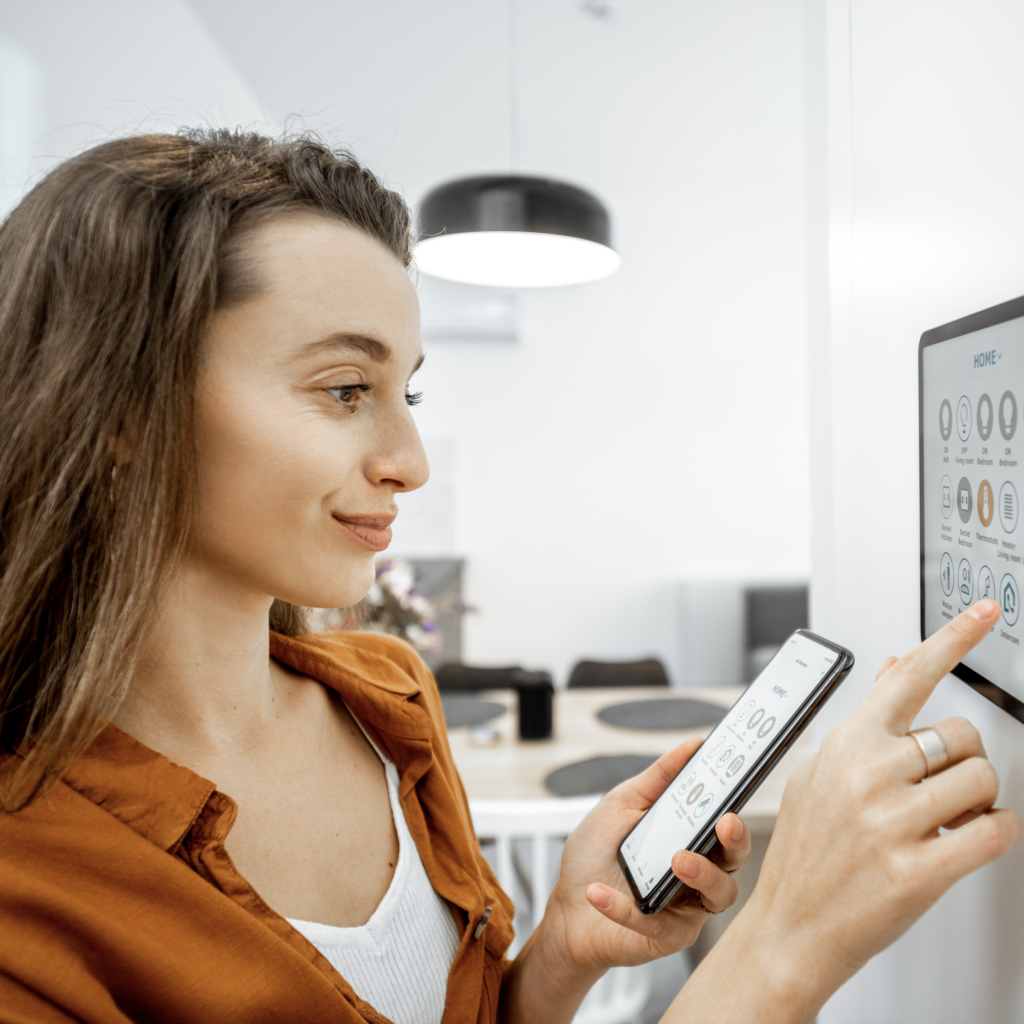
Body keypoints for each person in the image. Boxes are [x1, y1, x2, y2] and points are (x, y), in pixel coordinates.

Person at [0, 130, 1017, 1024]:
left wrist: (563, 950)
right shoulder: (29, 889)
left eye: (406, 391)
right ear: (124, 412)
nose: (411, 459)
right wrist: (782, 946)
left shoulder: (384, 697)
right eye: (346, 388)